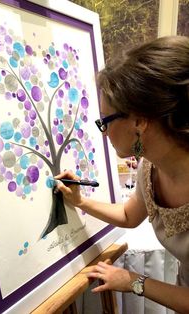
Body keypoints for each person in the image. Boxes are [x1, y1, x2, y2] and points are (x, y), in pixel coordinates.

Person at [55, 35, 189, 314]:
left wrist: (133, 281)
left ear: (139, 121)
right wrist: (80, 201)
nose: (102, 132)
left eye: (105, 121)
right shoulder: (151, 167)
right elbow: (130, 215)